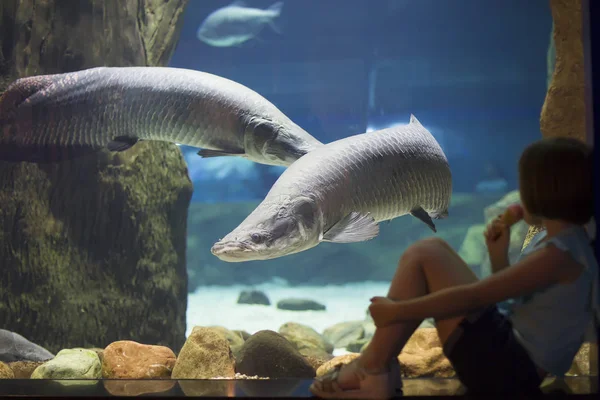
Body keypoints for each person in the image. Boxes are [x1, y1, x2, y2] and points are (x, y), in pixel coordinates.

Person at [310, 137, 598, 398]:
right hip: (511, 361)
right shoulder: (564, 243)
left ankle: (372, 369)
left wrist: (396, 311)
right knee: (427, 250)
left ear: (542, 192)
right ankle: (374, 367)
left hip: (509, 372)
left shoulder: (560, 255)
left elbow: (476, 297)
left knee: (426, 252)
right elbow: (511, 299)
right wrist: (498, 255)